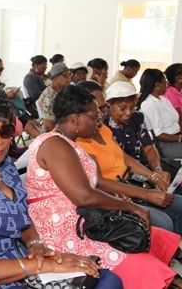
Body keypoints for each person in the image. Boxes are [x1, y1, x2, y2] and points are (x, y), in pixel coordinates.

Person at [0, 86, 123, 289]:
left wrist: (35, 245)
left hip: (27, 261)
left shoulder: (5, 165)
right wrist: (45, 266)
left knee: (108, 279)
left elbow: (23, 220)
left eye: (6, 131)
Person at [25, 85, 182, 289]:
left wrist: (124, 200)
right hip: (64, 233)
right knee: (139, 259)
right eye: (94, 116)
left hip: (83, 221)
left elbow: (96, 182)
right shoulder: (55, 145)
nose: (99, 121)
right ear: (75, 118)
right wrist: (132, 207)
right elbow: (85, 196)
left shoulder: (70, 144)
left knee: (153, 236)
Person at [76, 81, 182, 236]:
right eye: (96, 109)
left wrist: (154, 176)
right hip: (117, 194)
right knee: (163, 221)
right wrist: (145, 194)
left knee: (179, 204)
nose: (101, 114)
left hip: (134, 184)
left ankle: (173, 253)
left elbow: (124, 157)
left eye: (102, 108)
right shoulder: (80, 140)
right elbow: (99, 182)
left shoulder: (102, 129)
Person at [102, 81, 171, 179]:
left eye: (132, 107)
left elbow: (149, 148)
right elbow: (122, 158)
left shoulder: (137, 117)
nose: (128, 112)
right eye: (122, 108)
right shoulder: (104, 124)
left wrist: (157, 168)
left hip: (146, 169)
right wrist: (152, 176)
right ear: (109, 105)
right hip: (124, 174)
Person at [138, 68, 182, 158]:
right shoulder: (149, 104)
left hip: (175, 137)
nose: (167, 84)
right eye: (165, 82)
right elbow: (158, 134)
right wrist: (179, 138)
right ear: (157, 85)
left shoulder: (163, 100)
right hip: (164, 144)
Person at [37, 63, 72, 131]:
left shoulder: (64, 91)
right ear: (55, 78)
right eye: (65, 75)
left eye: (70, 74)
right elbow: (49, 127)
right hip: (55, 135)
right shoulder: (49, 97)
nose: (69, 77)